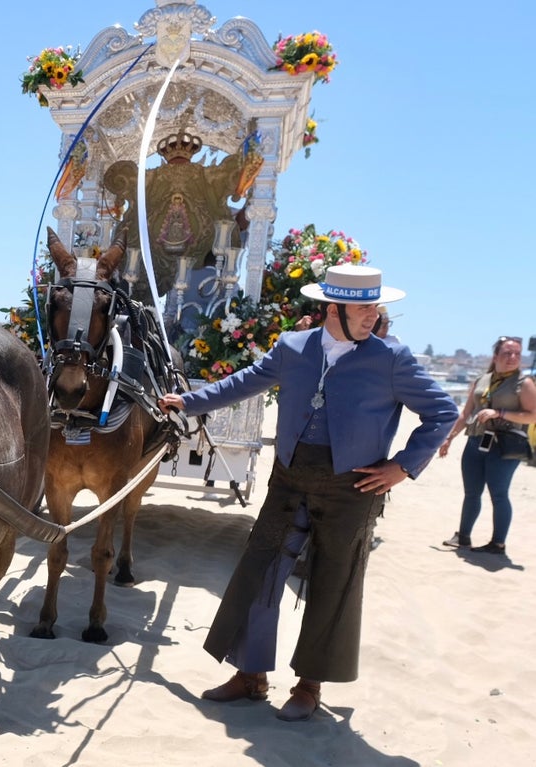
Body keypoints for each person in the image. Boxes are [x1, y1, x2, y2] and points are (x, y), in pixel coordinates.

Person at [159, 264, 457, 722]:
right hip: (289, 478)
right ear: (331, 308)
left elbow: (443, 412)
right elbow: (245, 382)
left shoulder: (391, 358)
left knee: (331, 584)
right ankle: (250, 674)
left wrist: (401, 468)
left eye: (376, 307)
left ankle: (309, 686)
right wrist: (189, 401)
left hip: (352, 488)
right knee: (262, 573)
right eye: (362, 307)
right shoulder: (293, 347)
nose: (372, 315)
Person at [439, 335, 536, 553]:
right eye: (507, 353)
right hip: (476, 441)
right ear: (496, 356)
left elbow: (532, 416)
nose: (512, 357)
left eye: (517, 354)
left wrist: (500, 413)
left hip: (504, 445)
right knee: (471, 492)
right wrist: (449, 438)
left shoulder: (524, 383)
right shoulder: (482, 379)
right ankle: (463, 537)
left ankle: (497, 543)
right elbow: (466, 414)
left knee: (499, 493)